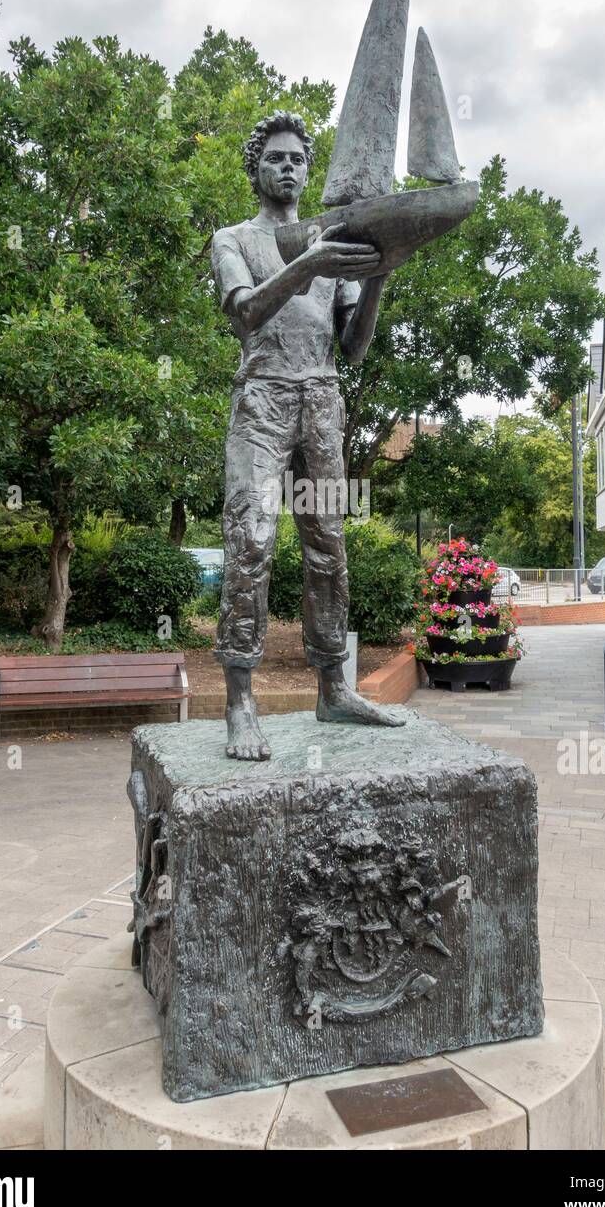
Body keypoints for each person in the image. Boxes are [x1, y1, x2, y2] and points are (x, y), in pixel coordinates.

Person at [211, 110, 405, 759]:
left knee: (328, 547)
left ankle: (332, 686)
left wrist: (376, 275)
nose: (289, 166)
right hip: (263, 397)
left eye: (298, 158)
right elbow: (246, 311)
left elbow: (353, 347)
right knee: (252, 540)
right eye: (277, 158)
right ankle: (240, 701)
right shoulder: (233, 238)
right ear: (257, 169)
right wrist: (310, 261)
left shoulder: (334, 247)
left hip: (322, 398)